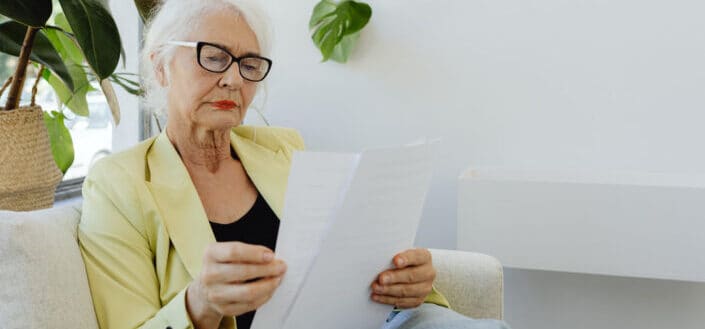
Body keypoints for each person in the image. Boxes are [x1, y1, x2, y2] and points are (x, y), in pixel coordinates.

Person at [78, 0, 511, 328]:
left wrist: (409, 283)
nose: (233, 79)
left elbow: (349, 263)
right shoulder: (120, 183)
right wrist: (200, 303)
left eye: (249, 64)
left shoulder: (282, 147)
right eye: (212, 56)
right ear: (160, 67)